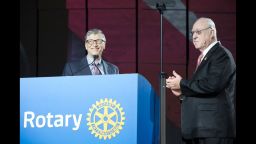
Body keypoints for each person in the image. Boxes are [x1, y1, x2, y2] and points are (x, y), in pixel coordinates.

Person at [166, 17, 236, 144]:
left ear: (212, 32)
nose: (194, 37)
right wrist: (182, 93)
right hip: (202, 129)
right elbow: (202, 90)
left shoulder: (221, 55)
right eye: (192, 33)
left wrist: (182, 84)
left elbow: (211, 85)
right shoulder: (206, 57)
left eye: (198, 32)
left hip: (214, 130)